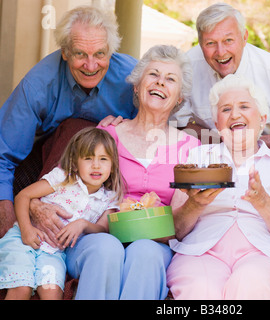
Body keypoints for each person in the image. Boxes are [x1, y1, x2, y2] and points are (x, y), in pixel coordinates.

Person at [32, 45, 200, 299]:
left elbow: (180, 225)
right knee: (106, 247)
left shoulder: (190, 148)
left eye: (170, 79)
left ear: (179, 98)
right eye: (153, 74)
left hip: (156, 244)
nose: (160, 83)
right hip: (93, 237)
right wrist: (34, 204)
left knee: (145, 252)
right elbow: (59, 181)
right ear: (136, 85)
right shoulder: (107, 135)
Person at [0, 5, 137, 238]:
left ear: (112, 51)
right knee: (76, 128)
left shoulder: (134, 78)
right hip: (43, 168)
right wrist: (9, 217)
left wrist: (125, 128)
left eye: (100, 54)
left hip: (107, 176)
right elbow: (3, 155)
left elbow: (156, 129)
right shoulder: (38, 84)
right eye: (80, 54)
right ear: (65, 52)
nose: (91, 66)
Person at [166, 74, 270, 300]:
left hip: (262, 253)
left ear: (262, 117)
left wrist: (263, 202)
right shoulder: (197, 156)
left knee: (251, 286)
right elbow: (175, 229)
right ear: (217, 123)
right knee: (200, 290)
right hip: (201, 250)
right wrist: (195, 203)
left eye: (244, 106)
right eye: (226, 109)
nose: (235, 114)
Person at [169, 2, 270, 150]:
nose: (221, 52)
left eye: (228, 40)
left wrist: (248, 143)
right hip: (216, 154)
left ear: (244, 37)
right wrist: (222, 142)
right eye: (210, 43)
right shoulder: (186, 68)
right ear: (200, 43)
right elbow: (178, 124)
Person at [0, 127, 123, 300]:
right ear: (74, 161)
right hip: (22, 241)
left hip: (54, 253)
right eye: (88, 158)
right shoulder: (63, 177)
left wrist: (83, 224)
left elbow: (103, 229)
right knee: (22, 289)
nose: (96, 165)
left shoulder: (109, 198)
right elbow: (23, 196)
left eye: (103, 159)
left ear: (113, 164)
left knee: (52, 293)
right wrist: (26, 230)